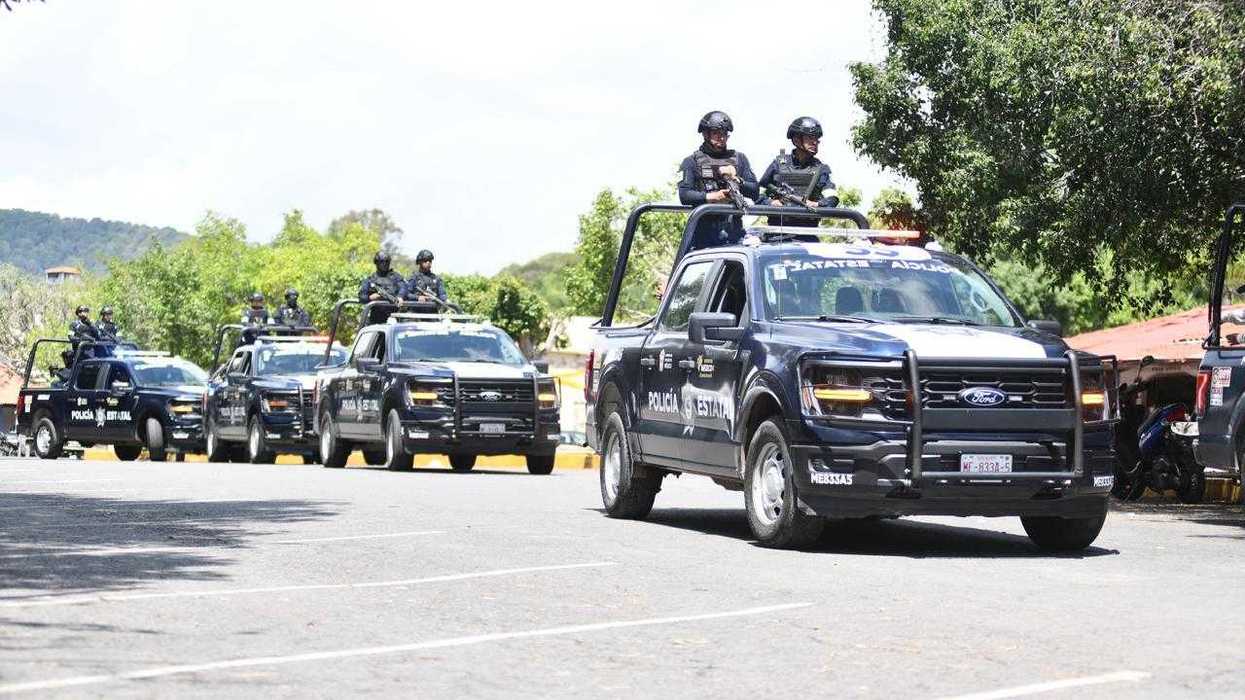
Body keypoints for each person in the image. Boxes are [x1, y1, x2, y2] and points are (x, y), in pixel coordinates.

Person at [677, 110, 759, 251]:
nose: (721, 138)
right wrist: (714, 197)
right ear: (705, 134)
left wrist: (736, 180)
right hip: (703, 234)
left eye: (724, 134)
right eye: (716, 133)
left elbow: (755, 191)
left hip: (734, 232)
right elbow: (684, 195)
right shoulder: (691, 162)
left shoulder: (740, 159)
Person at [758, 116, 839, 228]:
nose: (815, 142)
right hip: (776, 234)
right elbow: (757, 193)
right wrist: (770, 203)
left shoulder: (821, 169)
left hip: (807, 233)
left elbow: (832, 198)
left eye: (817, 139)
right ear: (796, 140)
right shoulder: (778, 164)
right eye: (810, 138)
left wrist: (816, 204)